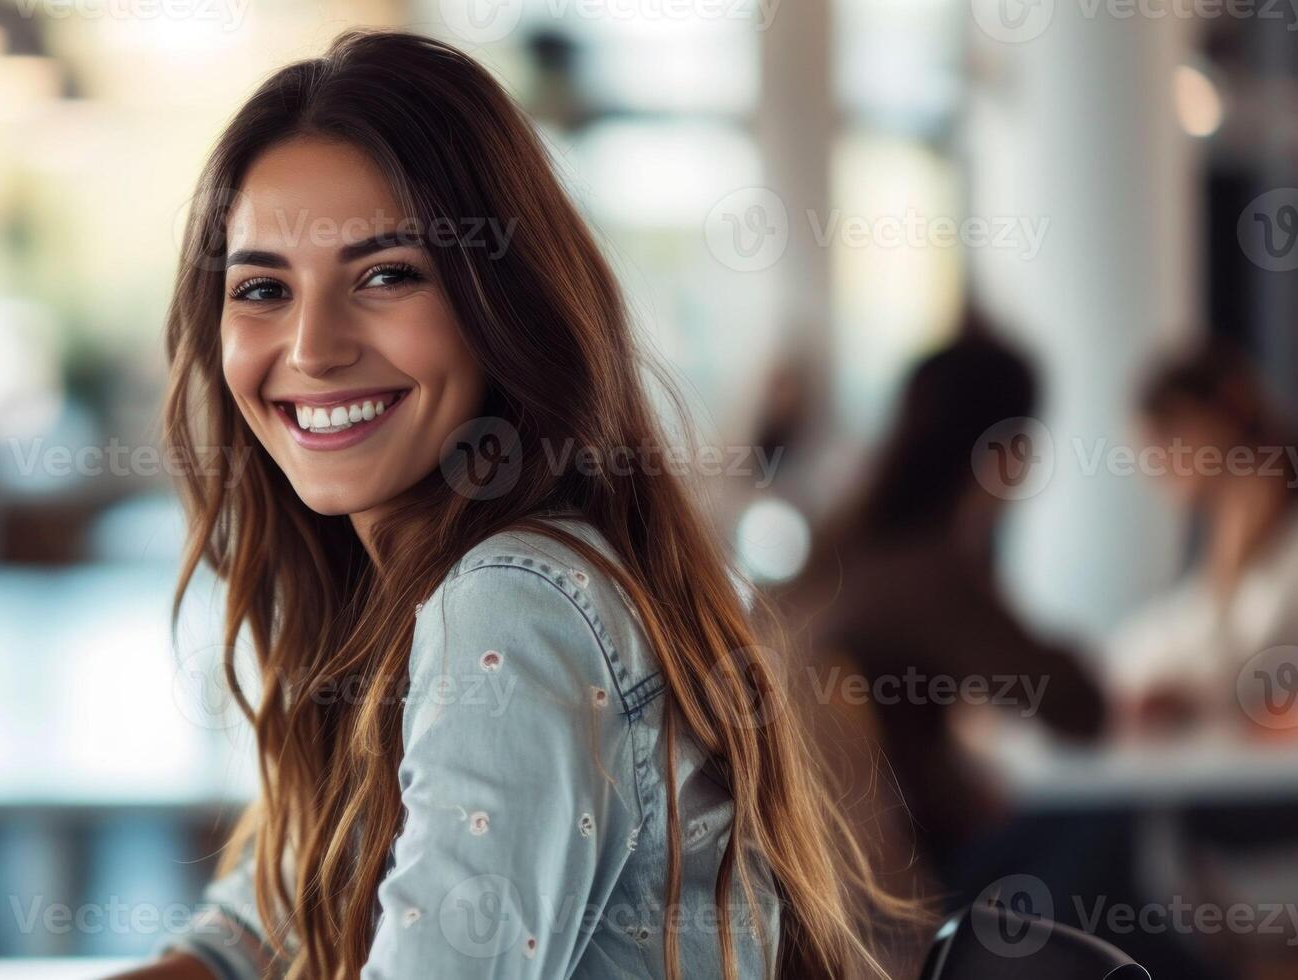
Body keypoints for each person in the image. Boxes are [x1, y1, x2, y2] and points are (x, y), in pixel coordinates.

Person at [122, 30, 912, 980]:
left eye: (385, 275)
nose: (313, 347)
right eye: (261, 287)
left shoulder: (510, 603)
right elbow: (250, 932)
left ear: (501, 301)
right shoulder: (400, 594)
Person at [781, 325, 1106, 887]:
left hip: (824, 878)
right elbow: (1079, 708)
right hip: (910, 885)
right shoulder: (930, 571)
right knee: (1113, 831)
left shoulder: (837, 548)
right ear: (1004, 451)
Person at [1108, 339, 1298, 734]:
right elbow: (1174, 638)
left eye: (1168, 438)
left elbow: (1242, 669)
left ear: (1229, 409)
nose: (1156, 466)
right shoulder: (1226, 529)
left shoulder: (1273, 538)